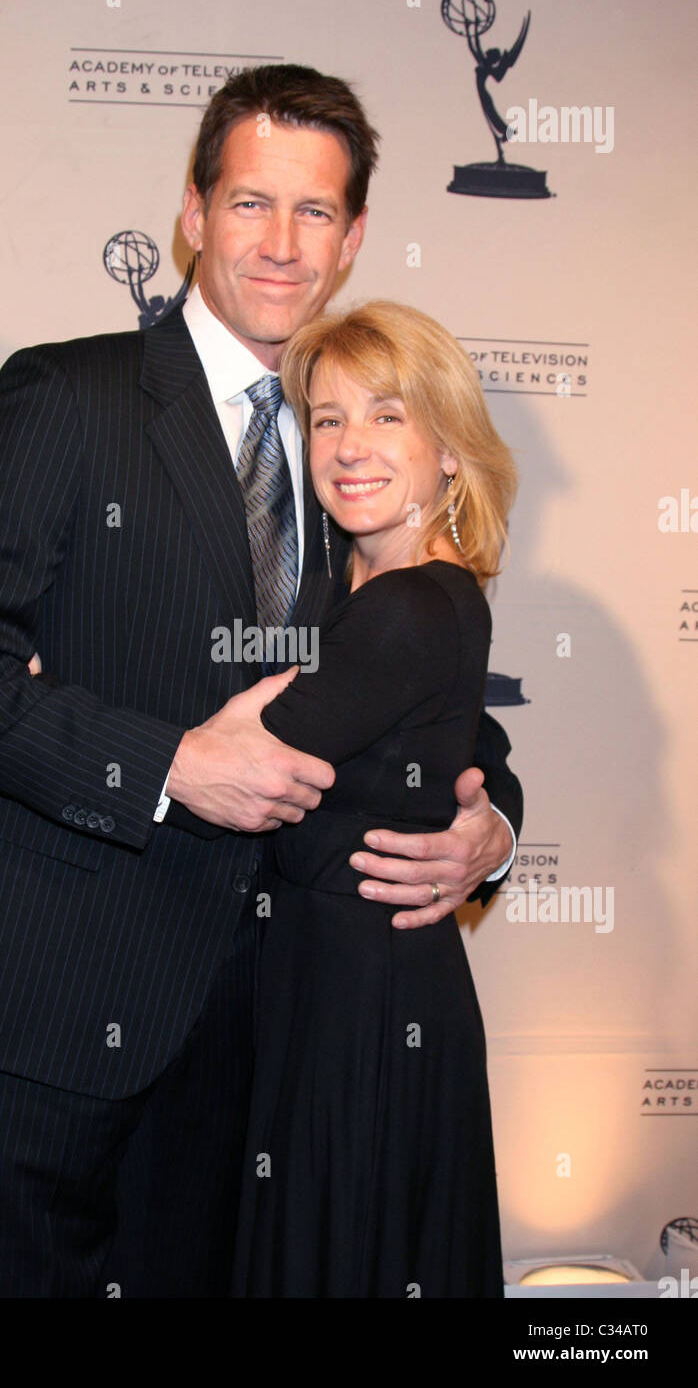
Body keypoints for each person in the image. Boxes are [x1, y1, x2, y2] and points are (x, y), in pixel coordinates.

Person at [0, 64, 521, 1298]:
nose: (280, 244)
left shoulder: (356, 450)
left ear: (354, 238)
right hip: (60, 991)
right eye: (249, 203)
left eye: (314, 212)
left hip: (264, 1027)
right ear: (191, 211)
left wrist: (488, 831)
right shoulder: (70, 396)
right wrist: (167, 762)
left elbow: (428, 687)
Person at [232, 300, 517, 1298]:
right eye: (325, 418)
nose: (349, 445)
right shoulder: (347, 590)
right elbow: (471, 747)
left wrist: (58, 693)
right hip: (331, 983)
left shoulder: (407, 606)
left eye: (387, 415)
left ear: (449, 449)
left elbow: (236, 768)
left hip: (362, 1001)